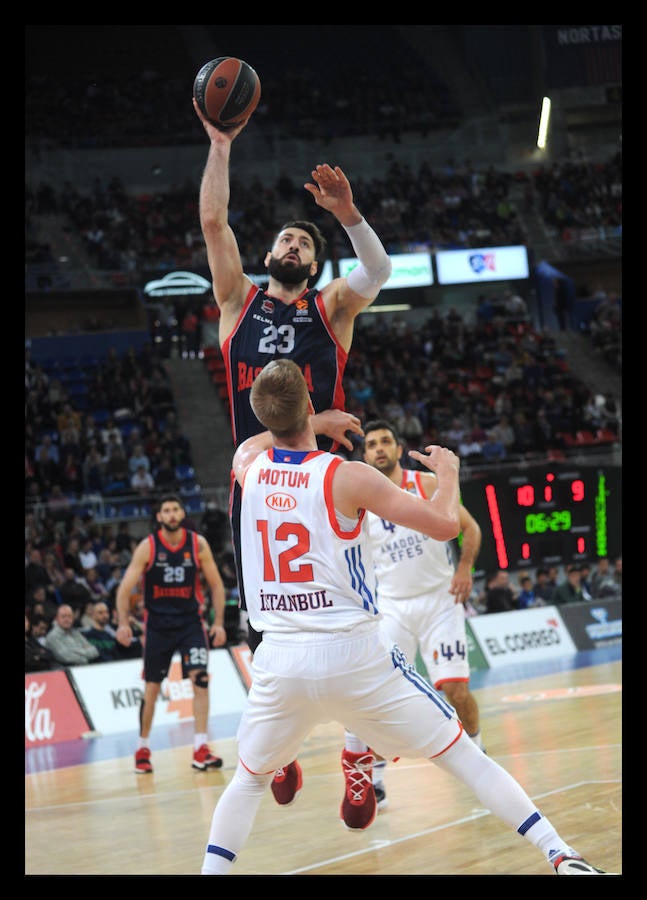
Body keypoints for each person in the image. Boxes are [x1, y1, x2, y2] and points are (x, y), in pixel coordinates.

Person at [200, 359, 608, 876]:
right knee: (464, 756)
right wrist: (449, 474)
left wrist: (310, 420)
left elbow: (259, 440)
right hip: (352, 652)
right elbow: (442, 524)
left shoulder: (247, 468)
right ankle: (560, 855)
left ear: (264, 416)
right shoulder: (347, 475)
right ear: (308, 405)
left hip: (278, 657)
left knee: (249, 780)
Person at [194, 100, 391, 801]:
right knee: (260, 623)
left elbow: (378, 272)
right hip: (255, 485)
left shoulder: (330, 309)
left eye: (305, 244)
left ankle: (357, 755)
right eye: (287, 238)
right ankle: (275, 750)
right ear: (270, 255)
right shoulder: (235, 303)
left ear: (312, 265)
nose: (293, 245)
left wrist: (345, 214)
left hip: (327, 483)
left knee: (356, 614)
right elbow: (213, 223)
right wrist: (220, 142)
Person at [340, 419, 484, 815]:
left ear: (399, 449)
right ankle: (376, 778)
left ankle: (478, 751)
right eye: (371, 444)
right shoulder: (359, 498)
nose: (379, 448)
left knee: (455, 690)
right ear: (364, 454)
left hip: (440, 601)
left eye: (386, 441)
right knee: (376, 696)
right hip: (393, 608)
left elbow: (470, 529)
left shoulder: (426, 484)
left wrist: (464, 569)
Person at [115, 494, 227, 773]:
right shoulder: (148, 546)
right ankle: (142, 747)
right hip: (158, 627)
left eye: (176, 509)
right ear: (159, 517)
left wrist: (219, 622)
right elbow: (123, 589)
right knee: (152, 687)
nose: (172, 514)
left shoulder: (197, 544)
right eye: (166, 510)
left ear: (182, 513)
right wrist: (123, 622)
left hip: (191, 623)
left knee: (200, 680)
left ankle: (200, 747)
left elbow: (216, 585)